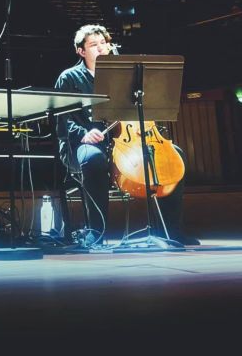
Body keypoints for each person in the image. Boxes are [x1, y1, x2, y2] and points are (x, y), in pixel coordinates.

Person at [54, 24, 199, 245]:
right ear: (81, 51)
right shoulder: (69, 78)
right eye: (94, 45)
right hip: (83, 144)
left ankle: (170, 231)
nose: (101, 49)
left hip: (125, 141)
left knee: (174, 156)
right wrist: (85, 133)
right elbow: (63, 119)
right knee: (94, 159)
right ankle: (97, 232)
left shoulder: (125, 75)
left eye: (104, 43)